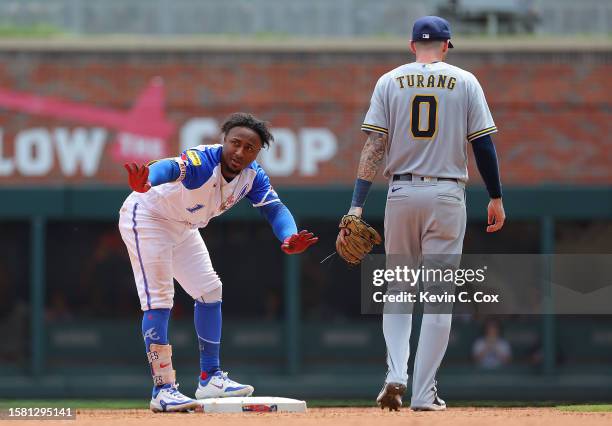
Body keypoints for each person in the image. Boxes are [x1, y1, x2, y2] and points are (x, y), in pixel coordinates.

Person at [337, 16, 505, 411]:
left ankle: (396, 372)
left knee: (398, 288)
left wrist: (356, 204)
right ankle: (424, 394)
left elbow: (374, 147)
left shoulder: (389, 81)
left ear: (412, 45)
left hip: (401, 192)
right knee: (438, 297)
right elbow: (483, 145)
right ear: (447, 45)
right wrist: (495, 196)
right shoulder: (465, 81)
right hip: (447, 193)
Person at [119, 112, 318, 412]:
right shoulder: (203, 162)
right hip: (148, 217)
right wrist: (147, 178)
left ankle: (209, 377)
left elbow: (276, 210)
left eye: (249, 147)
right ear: (223, 141)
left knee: (210, 290)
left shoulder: (253, 177)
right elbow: (171, 167)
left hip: (183, 226)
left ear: (257, 152)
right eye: (235, 143)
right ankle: (162, 388)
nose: (240, 152)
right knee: (160, 299)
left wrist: (288, 237)